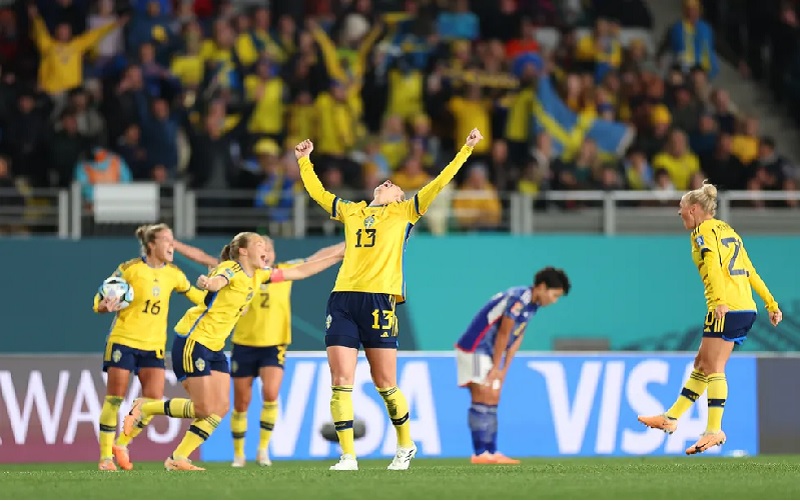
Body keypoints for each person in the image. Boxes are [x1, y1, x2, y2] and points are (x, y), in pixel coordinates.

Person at [293, 128, 484, 471]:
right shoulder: (351, 211)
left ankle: (405, 444)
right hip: (343, 299)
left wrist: (466, 150)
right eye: (384, 182)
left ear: (398, 196)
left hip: (380, 301)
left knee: (384, 382)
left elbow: (439, 183)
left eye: (393, 184)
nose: (387, 182)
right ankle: (348, 456)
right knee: (340, 379)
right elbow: (319, 193)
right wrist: (304, 160)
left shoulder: (406, 212)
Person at [122, 232, 343, 471]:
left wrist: (338, 256)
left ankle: (178, 458)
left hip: (215, 348)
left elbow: (301, 271)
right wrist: (209, 284)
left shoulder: (260, 274)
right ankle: (145, 407)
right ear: (244, 251)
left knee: (220, 408)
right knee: (203, 408)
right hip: (194, 341)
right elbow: (219, 280)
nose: (265, 249)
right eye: (259, 244)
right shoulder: (230, 268)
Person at [638, 181, 783, 454]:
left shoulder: (702, 232)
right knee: (702, 364)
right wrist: (770, 303)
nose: (679, 214)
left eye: (681, 209)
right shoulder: (729, 231)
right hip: (745, 307)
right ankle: (671, 418)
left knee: (714, 366)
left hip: (725, 306)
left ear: (693, 209)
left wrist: (718, 301)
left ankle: (713, 430)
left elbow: (714, 265)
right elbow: (749, 270)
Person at [93, 223, 206, 472]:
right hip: (124, 340)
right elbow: (103, 294)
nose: (171, 245)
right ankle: (105, 458)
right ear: (151, 245)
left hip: (154, 346)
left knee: (153, 399)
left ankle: (121, 444)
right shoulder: (131, 269)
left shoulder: (174, 274)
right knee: (114, 399)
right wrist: (102, 305)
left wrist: (215, 298)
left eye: (172, 239)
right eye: (166, 240)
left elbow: (197, 297)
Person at [455, 267, 570, 465]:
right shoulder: (519, 299)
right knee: (481, 394)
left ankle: (492, 451)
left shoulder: (533, 305)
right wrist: (496, 367)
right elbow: (503, 333)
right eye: (555, 294)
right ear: (542, 287)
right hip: (475, 348)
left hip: (491, 353)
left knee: (493, 397)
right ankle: (480, 453)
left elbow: (517, 336)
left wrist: (504, 370)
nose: (554, 300)